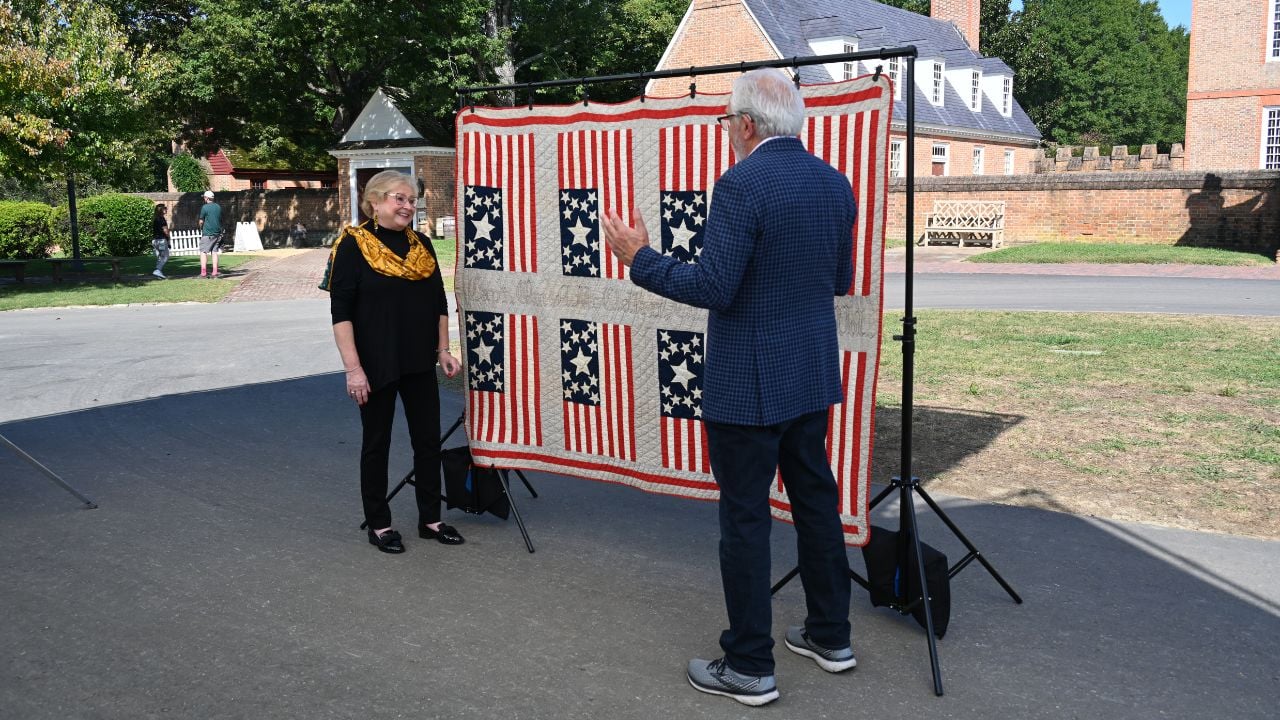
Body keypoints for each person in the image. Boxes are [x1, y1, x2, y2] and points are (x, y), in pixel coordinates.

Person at [602, 68, 857, 707]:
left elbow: (714, 287)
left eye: (725, 121)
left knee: (745, 518)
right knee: (815, 503)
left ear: (745, 124)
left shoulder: (741, 184)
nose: (725, 131)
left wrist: (639, 258)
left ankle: (748, 665)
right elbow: (839, 279)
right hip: (810, 372)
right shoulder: (835, 183)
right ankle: (831, 636)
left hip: (749, 382)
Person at [321, 170, 464, 554]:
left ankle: (431, 520)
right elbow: (341, 313)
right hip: (375, 363)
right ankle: (380, 524)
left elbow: (438, 303)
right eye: (399, 198)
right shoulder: (353, 245)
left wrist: (443, 350)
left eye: (412, 200)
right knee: (377, 443)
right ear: (375, 201)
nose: (408, 206)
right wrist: (353, 370)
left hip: (418, 360)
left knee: (428, 441)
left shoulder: (422, 245)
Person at [197, 190, 223, 278]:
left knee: (203, 252)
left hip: (208, 233)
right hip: (217, 233)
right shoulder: (218, 207)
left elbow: (201, 221)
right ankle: (215, 272)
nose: (204, 199)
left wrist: (200, 227)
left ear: (207, 198)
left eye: (204, 197)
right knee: (214, 252)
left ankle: (203, 273)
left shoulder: (205, 207)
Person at [152, 204, 170, 279]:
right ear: (161, 210)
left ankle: (158, 273)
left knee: (160, 257)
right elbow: (165, 231)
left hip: (155, 241)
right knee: (165, 256)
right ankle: (157, 270)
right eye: (165, 208)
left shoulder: (155, 219)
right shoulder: (161, 219)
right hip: (161, 240)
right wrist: (168, 238)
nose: (166, 209)